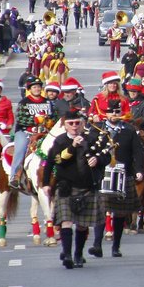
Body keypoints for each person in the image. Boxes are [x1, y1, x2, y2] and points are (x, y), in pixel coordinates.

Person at [42, 108, 113, 269]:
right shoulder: (60, 141)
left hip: (88, 187)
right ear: (65, 126)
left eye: (77, 123)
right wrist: (46, 183)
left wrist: (98, 159)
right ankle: (67, 254)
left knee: (82, 225)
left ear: (82, 124)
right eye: (70, 123)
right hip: (67, 187)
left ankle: (78, 254)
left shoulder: (93, 138)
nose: (74, 126)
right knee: (66, 222)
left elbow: (107, 156)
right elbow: (54, 161)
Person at [89, 99, 144, 258]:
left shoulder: (129, 130)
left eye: (117, 112)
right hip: (103, 173)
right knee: (101, 210)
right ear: (105, 113)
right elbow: (89, 149)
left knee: (120, 213)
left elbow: (137, 152)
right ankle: (97, 245)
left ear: (121, 113)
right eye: (111, 112)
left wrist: (139, 170)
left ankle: (116, 246)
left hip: (123, 173)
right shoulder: (96, 129)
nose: (114, 114)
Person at [9, 76, 55, 191]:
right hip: (26, 131)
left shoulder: (47, 102)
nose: (37, 89)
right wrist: (35, 120)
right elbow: (19, 119)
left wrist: (49, 121)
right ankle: (14, 176)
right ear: (30, 89)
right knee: (20, 149)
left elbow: (53, 116)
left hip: (44, 132)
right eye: (34, 87)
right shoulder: (24, 102)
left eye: (38, 87)